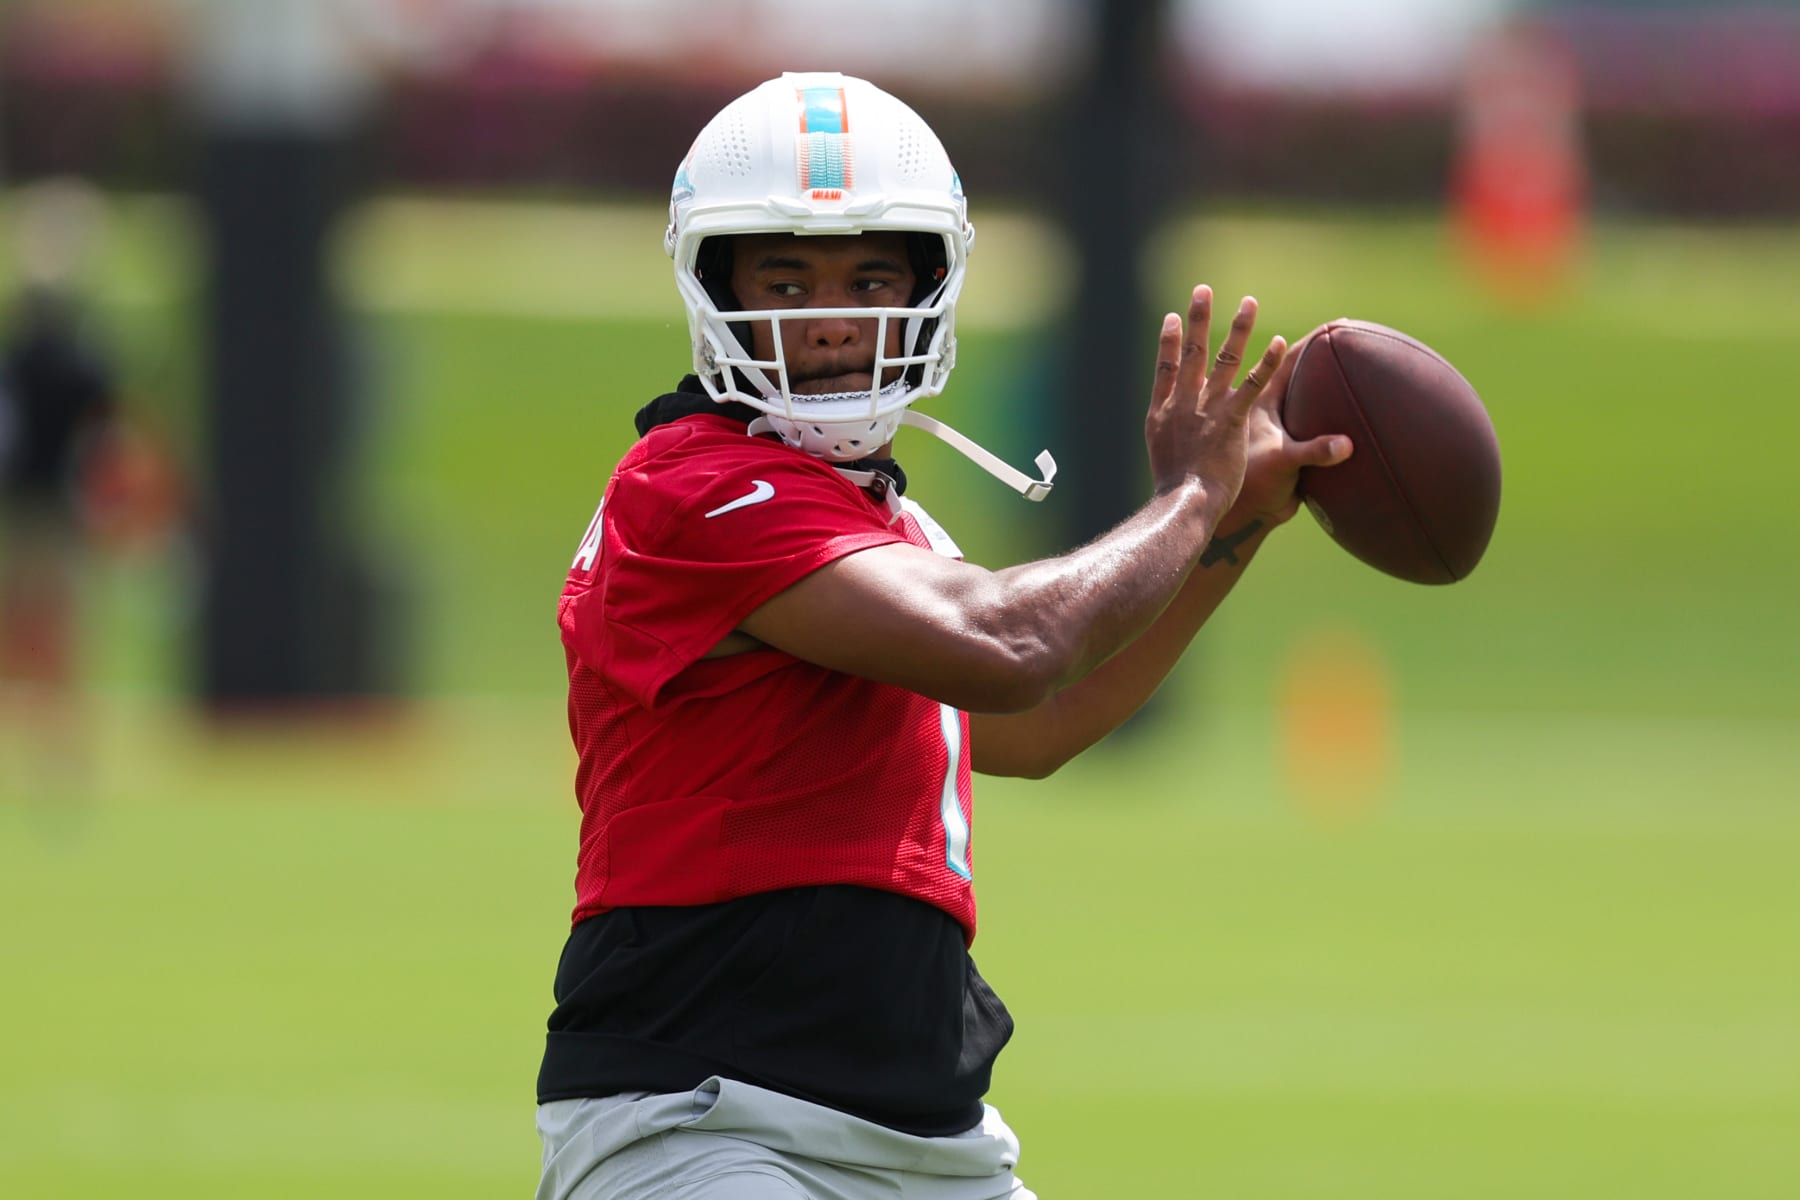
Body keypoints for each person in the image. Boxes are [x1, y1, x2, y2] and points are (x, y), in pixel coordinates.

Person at [535, 72, 1352, 1200]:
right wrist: (1189, 500)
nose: (828, 318)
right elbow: (1010, 648)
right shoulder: (689, 487)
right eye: (784, 276)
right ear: (713, 284)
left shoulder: (888, 525)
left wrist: (1237, 526)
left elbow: (1042, 717)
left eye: (870, 278)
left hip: (926, 1140)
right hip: (705, 1119)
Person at [0, 179, 119, 803]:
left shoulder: (62, 359)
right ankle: (56, 755)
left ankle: (61, 757)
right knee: (37, 636)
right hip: (32, 511)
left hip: (43, 511)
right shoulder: (58, 358)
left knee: (50, 639)